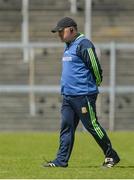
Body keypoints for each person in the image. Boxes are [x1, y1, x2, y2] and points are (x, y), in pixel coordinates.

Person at [44, 17, 120, 168]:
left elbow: (96, 68)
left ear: (71, 30)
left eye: (61, 31)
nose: (59, 35)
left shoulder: (84, 44)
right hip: (68, 96)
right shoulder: (68, 45)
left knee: (92, 126)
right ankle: (61, 161)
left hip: (83, 95)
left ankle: (111, 155)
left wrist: (93, 86)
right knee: (66, 127)